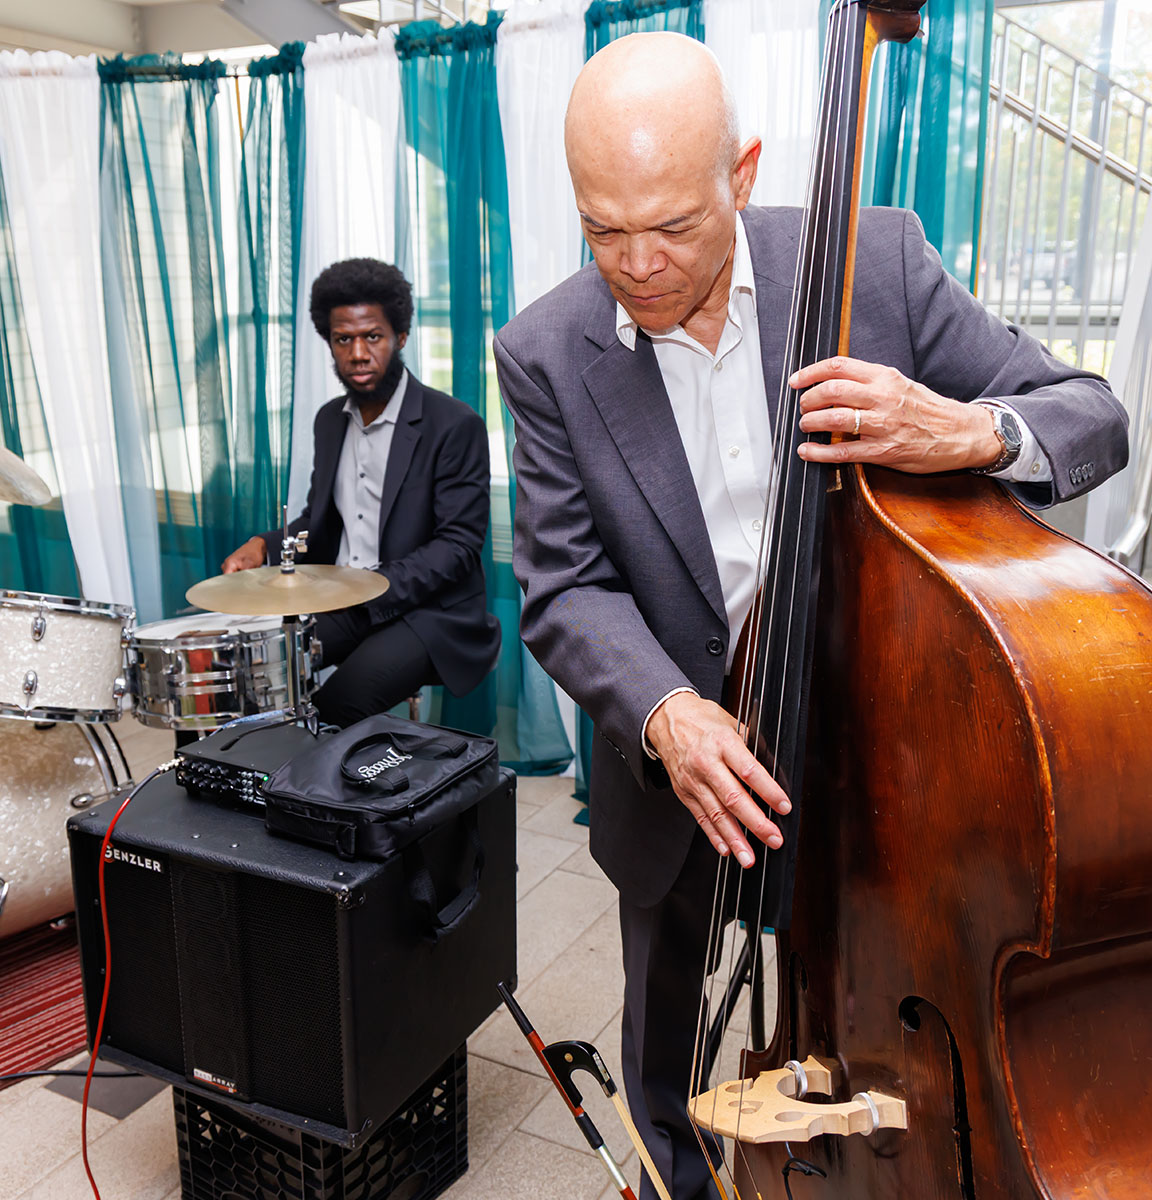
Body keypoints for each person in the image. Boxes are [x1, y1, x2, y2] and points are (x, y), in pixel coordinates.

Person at [493, 32, 1127, 1200]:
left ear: (742, 172)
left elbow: (1093, 413)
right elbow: (564, 583)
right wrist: (670, 717)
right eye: (602, 229)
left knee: (890, 1045)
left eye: (673, 226)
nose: (635, 264)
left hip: (890, 767)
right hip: (682, 776)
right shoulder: (543, 349)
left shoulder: (873, 262)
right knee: (671, 1057)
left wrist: (966, 430)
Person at [223, 258, 500, 727]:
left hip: (427, 614)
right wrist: (265, 546)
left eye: (372, 336)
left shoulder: (454, 424)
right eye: (343, 339)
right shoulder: (330, 421)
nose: (357, 353)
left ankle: (330, 795)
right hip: (345, 601)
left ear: (400, 337)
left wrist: (369, 589)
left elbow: (457, 549)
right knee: (254, 670)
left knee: (337, 705)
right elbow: (319, 524)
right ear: (329, 344)